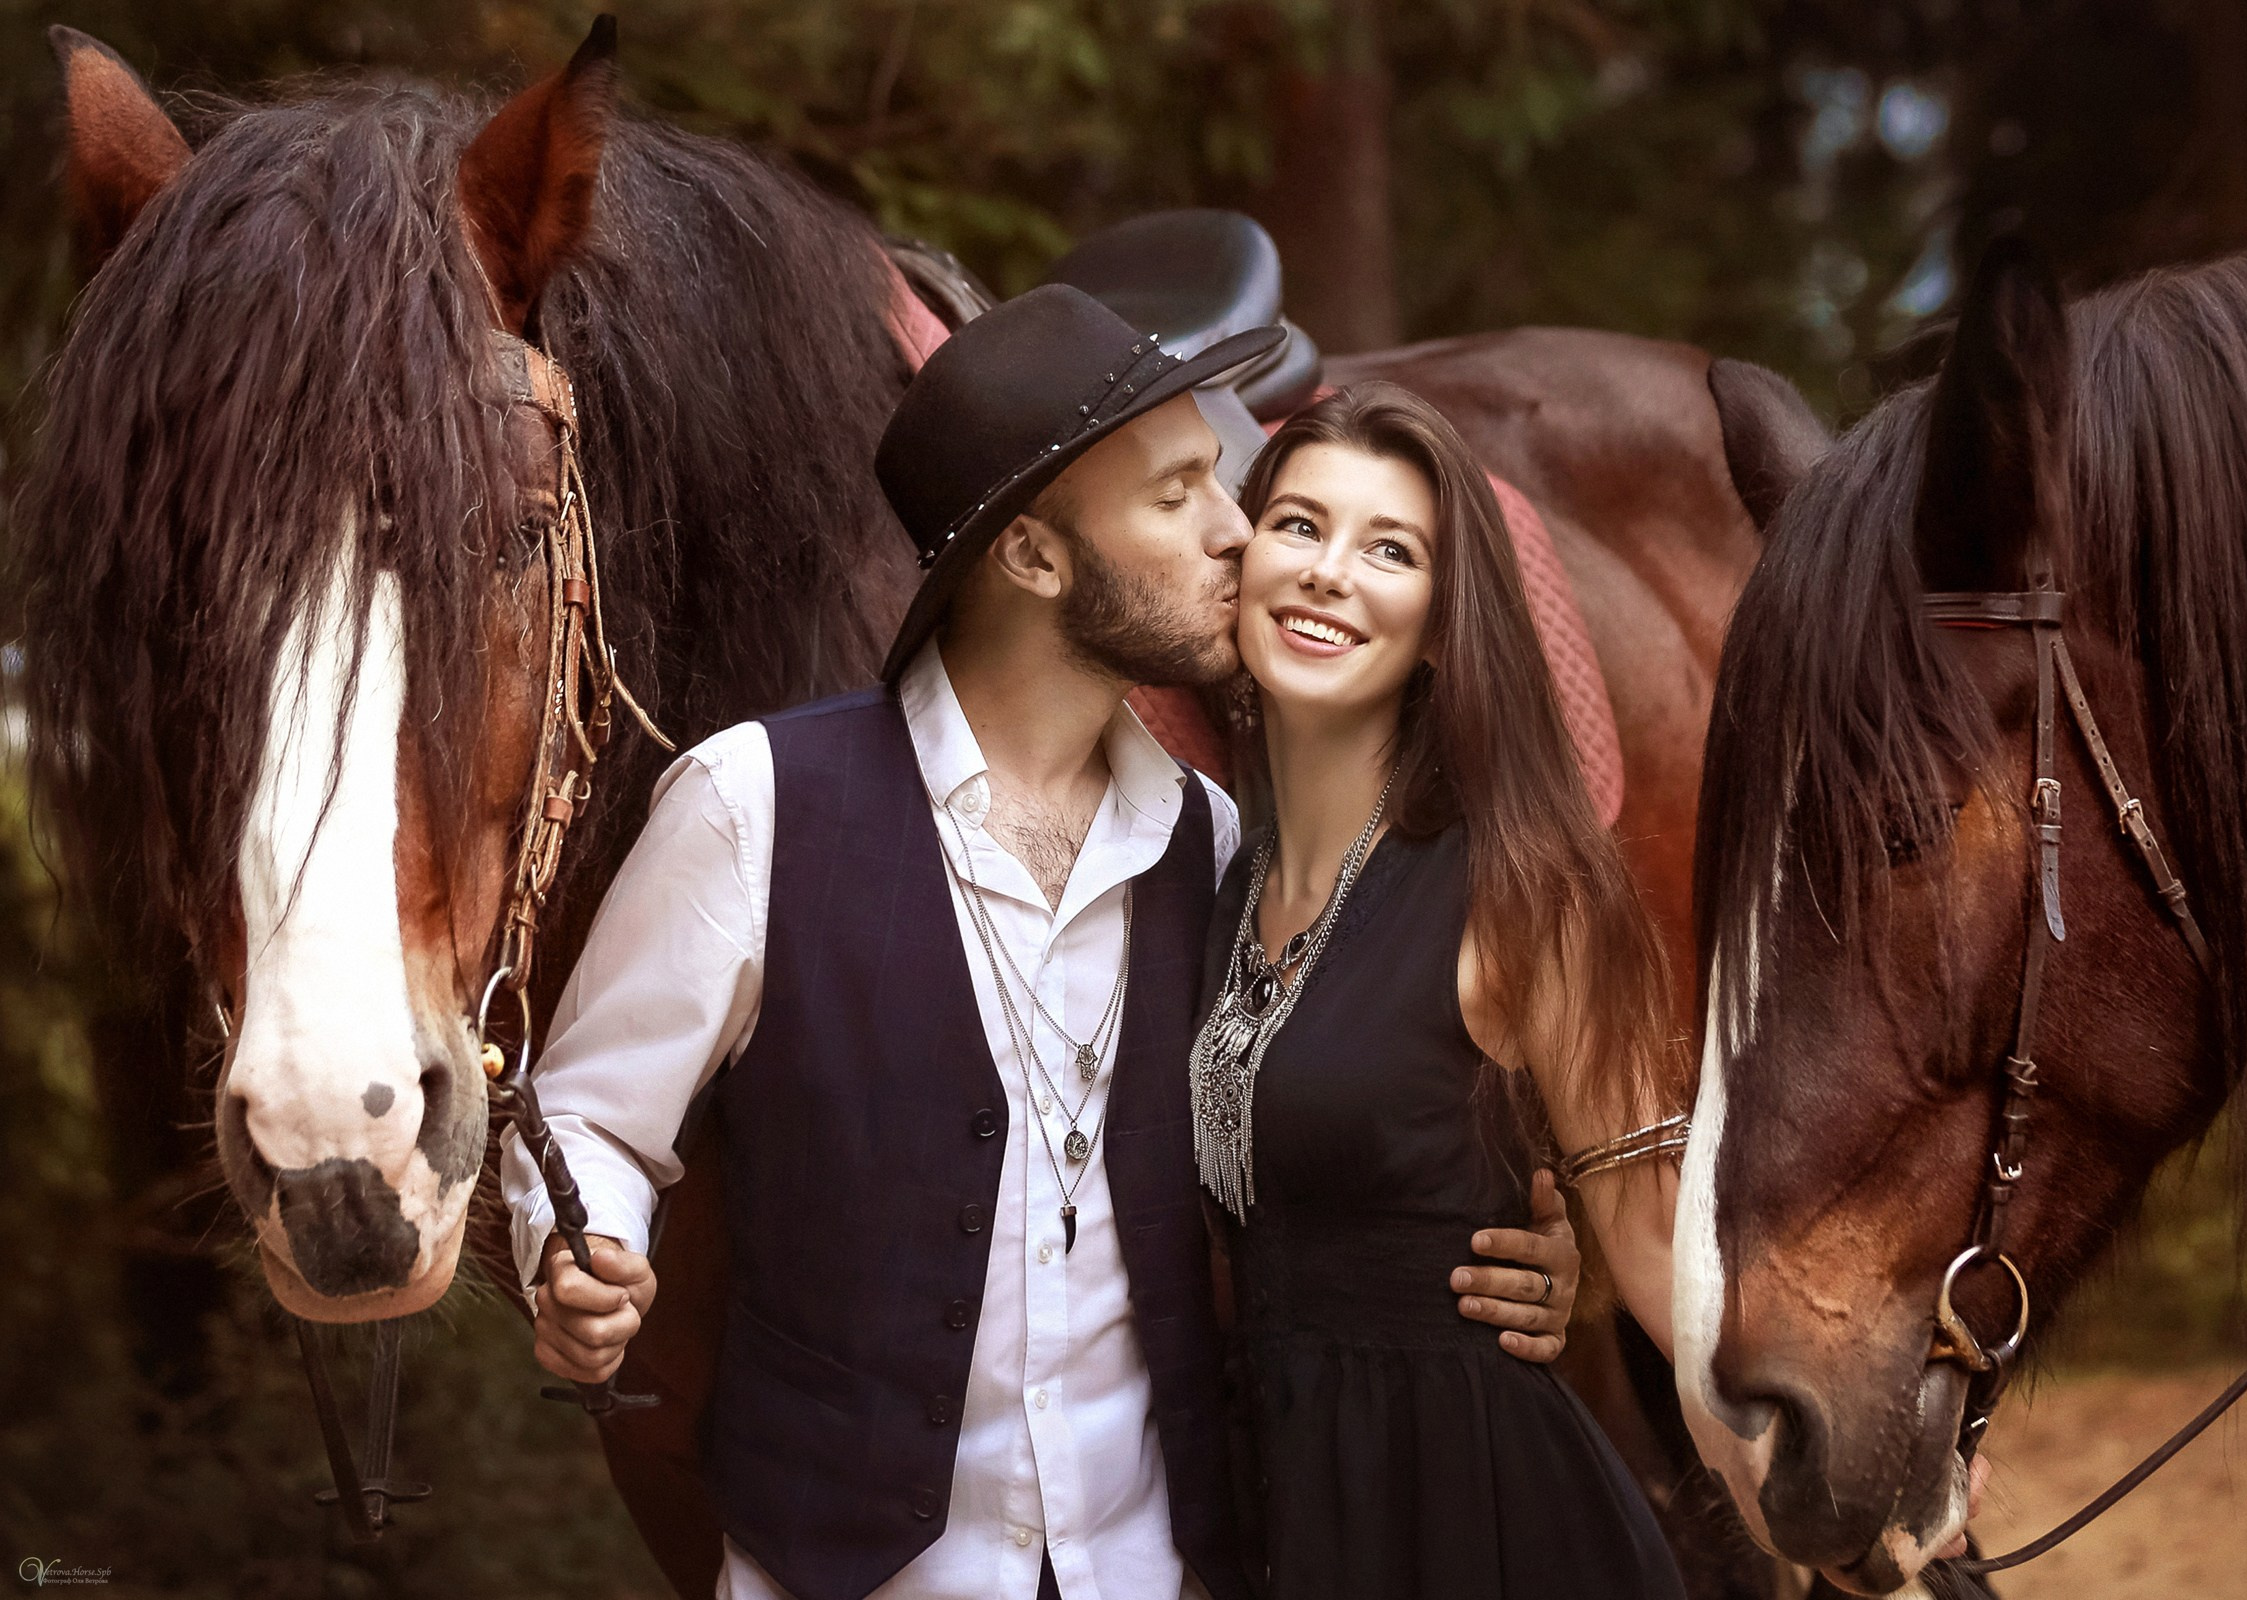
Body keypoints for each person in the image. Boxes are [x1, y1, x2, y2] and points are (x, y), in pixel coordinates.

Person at [501, 287, 1584, 1600]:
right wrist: (578, 1249)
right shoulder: (757, 804)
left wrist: (1522, 1259)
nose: (1239, 535)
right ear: (1033, 556)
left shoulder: (1216, 842)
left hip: (1152, 1565)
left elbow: (1326, 1137)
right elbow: (590, 1119)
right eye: (1179, 496)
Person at [1188, 382, 1688, 1600]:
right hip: (1283, 1506)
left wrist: (1850, 1457)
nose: (1327, 572)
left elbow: (1661, 1247)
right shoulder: (1207, 871)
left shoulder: (1525, 888)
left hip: (1482, 1519)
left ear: (1443, 623)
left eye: (1390, 549)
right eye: (1299, 526)